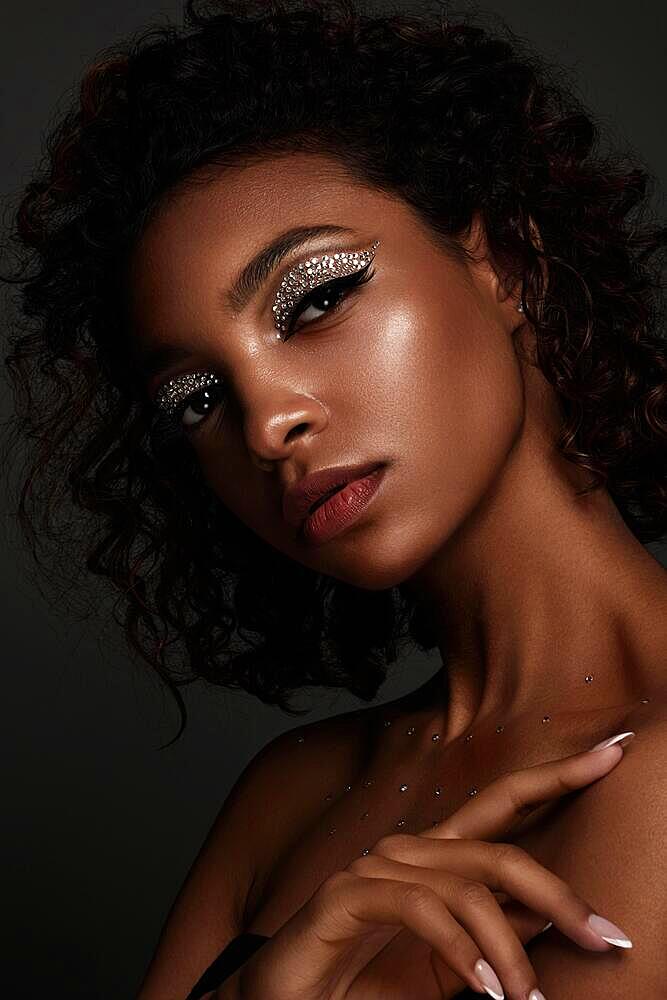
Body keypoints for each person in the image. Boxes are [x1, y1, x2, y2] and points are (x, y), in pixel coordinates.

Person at [2, 1, 666, 997]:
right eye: (199, 397)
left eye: (312, 299)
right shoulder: (290, 795)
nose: (265, 425)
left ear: (500, 260)